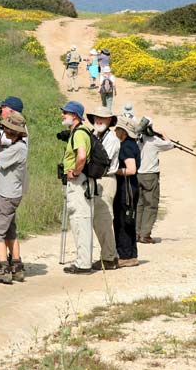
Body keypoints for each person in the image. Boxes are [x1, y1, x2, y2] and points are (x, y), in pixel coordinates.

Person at [0, 95, 28, 271]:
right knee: (9, 230)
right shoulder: (19, 144)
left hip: (6, 193)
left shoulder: (17, 148)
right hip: (11, 192)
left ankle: (3, 267)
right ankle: (16, 264)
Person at [60, 100, 95, 274]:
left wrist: (74, 172)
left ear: (75, 116)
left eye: (65, 112)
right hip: (82, 181)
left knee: (80, 220)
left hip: (79, 182)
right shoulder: (80, 131)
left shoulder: (80, 133)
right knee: (81, 220)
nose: (62, 115)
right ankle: (83, 261)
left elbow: (81, 156)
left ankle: (83, 264)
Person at [86, 106, 119, 271]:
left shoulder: (112, 139)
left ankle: (109, 258)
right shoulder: (93, 135)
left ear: (109, 121)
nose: (99, 120)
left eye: (103, 118)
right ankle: (108, 255)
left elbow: (102, 161)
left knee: (103, 219)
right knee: (97, 220)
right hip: (94, 179)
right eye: (97, 117)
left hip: (105, 180)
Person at [136, 119, 175, 244]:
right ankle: (145, 234)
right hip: (150, 176)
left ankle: (136, 233)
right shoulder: (153, 141)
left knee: (139, 205)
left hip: (137, 175)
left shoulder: (137, 139)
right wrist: (162, 134)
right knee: (151, 205)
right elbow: (170, 144)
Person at [113, 116, 141, 268]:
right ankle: (130, 254)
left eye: (117, 128)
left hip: (127, 188)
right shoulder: (130, 144)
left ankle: (126, 255)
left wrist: (113, 171)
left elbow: (131, 169)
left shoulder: (127, 146)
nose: (115, 130)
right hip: (130, 187)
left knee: (124, 220)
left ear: (123, 131)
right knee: (127, 220)